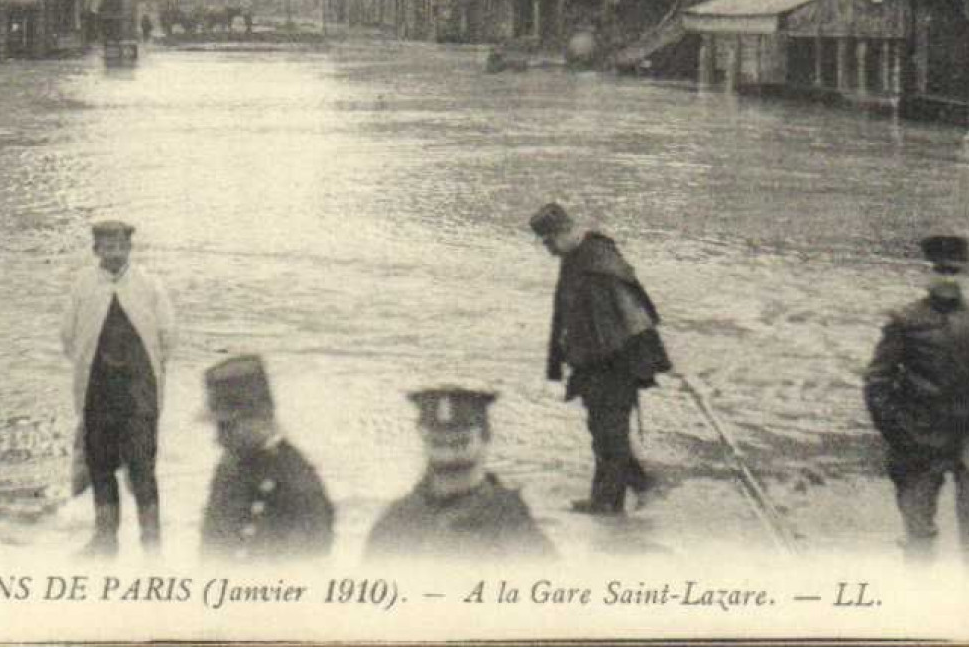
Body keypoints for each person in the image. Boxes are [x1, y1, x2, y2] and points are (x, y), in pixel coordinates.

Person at [863, 235, 969, 564]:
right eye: (941, 270)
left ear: (964, 275)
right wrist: (898, 433)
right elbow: (877, 382)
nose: (948, 279)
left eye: (955, 272)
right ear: (925, 272)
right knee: (918, 534)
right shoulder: (904, 321)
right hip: (919, 438)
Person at [529, 202, 672, 516]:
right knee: (603, 429)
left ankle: (608, 505)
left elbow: (632, 320)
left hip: (616, 365)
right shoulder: (577, 257)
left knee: (609, 433)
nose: (548, 250)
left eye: (549, 242)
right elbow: (564, 313)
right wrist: (556, 366)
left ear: (565, 232)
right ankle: (641, 484)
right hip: (597, 362)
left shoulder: (599, 264)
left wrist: (619, 369)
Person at [60, 219, 177, 556]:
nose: (113, 253)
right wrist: (88, 365)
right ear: (95, 250)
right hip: (98, 390)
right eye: (106, 247)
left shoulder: (148, 285)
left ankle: (152, 542)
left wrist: (147, 374)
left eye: (119, 247)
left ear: (129, 249)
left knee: (142, 463)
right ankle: (105, 538)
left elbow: (168, 336)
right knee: (99, 462)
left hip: (138, 392)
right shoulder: (83, 286)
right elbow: (68, 336)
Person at [364, 387, 554, 562]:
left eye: (460, 433)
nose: (447, 438)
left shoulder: (511, 526)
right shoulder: (398, 522)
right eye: (437, 433)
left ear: (486, 437)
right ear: (422, 435)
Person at [199, 354, 335, 563]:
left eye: (227, 426)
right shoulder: (227, 471)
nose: (219, 439)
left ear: (260, 418)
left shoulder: (299, 484)